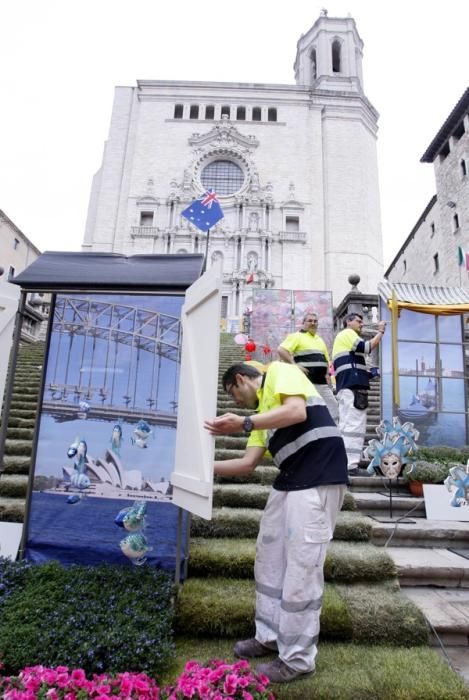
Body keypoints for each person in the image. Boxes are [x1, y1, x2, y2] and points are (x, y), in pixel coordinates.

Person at [204, 361, 348, 684]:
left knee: (302, 566)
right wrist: (201, 468)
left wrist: (243, 422)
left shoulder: (278, 372)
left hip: (319, 474)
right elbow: (246, 464)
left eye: (234, 394)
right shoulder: (260, 420)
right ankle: (268, 635)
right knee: (268, 558)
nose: (236, 403)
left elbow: (296, 411)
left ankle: (296, 659)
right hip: (290, 479)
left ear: (242, 379)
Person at [332, 313, 386, 476]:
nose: (362, 324)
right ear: (348, 322)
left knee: (347, 426)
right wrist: (381, 332)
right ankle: (351, 465)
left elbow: (351, 366)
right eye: (359, 321)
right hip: (353, 388)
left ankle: (343, 463)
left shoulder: (343, 340)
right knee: (355, 427)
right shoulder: (348, 334)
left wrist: (369, 374)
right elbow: (367, 347)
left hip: (348, 386)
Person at [277, 313, 339, 423]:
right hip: (306, 382)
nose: (313, 323)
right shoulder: (297, 336)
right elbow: (281, 350)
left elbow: (325, 360)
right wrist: (294, 364)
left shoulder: (320, 339)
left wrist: (328, 376)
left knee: (333, 407)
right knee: (309, 409)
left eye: (315, 321)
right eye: (310, 321)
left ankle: (332, 431)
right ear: (303, 323)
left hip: (322, 383)